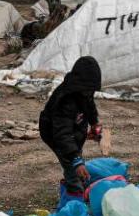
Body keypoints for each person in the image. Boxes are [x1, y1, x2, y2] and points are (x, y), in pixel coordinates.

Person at [38, 57, 103, 204]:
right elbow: (62, 134)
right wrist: (75, 159)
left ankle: (70, 192)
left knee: (75, 165)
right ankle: (73, 211)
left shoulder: (84, 93)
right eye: (88, 90)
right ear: (80, 85)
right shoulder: (65, 100)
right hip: (55, 134)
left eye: (91, 90)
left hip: (73, 132)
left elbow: (90, 106)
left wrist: (94, 123)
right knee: (74, 169)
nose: (89, 93)